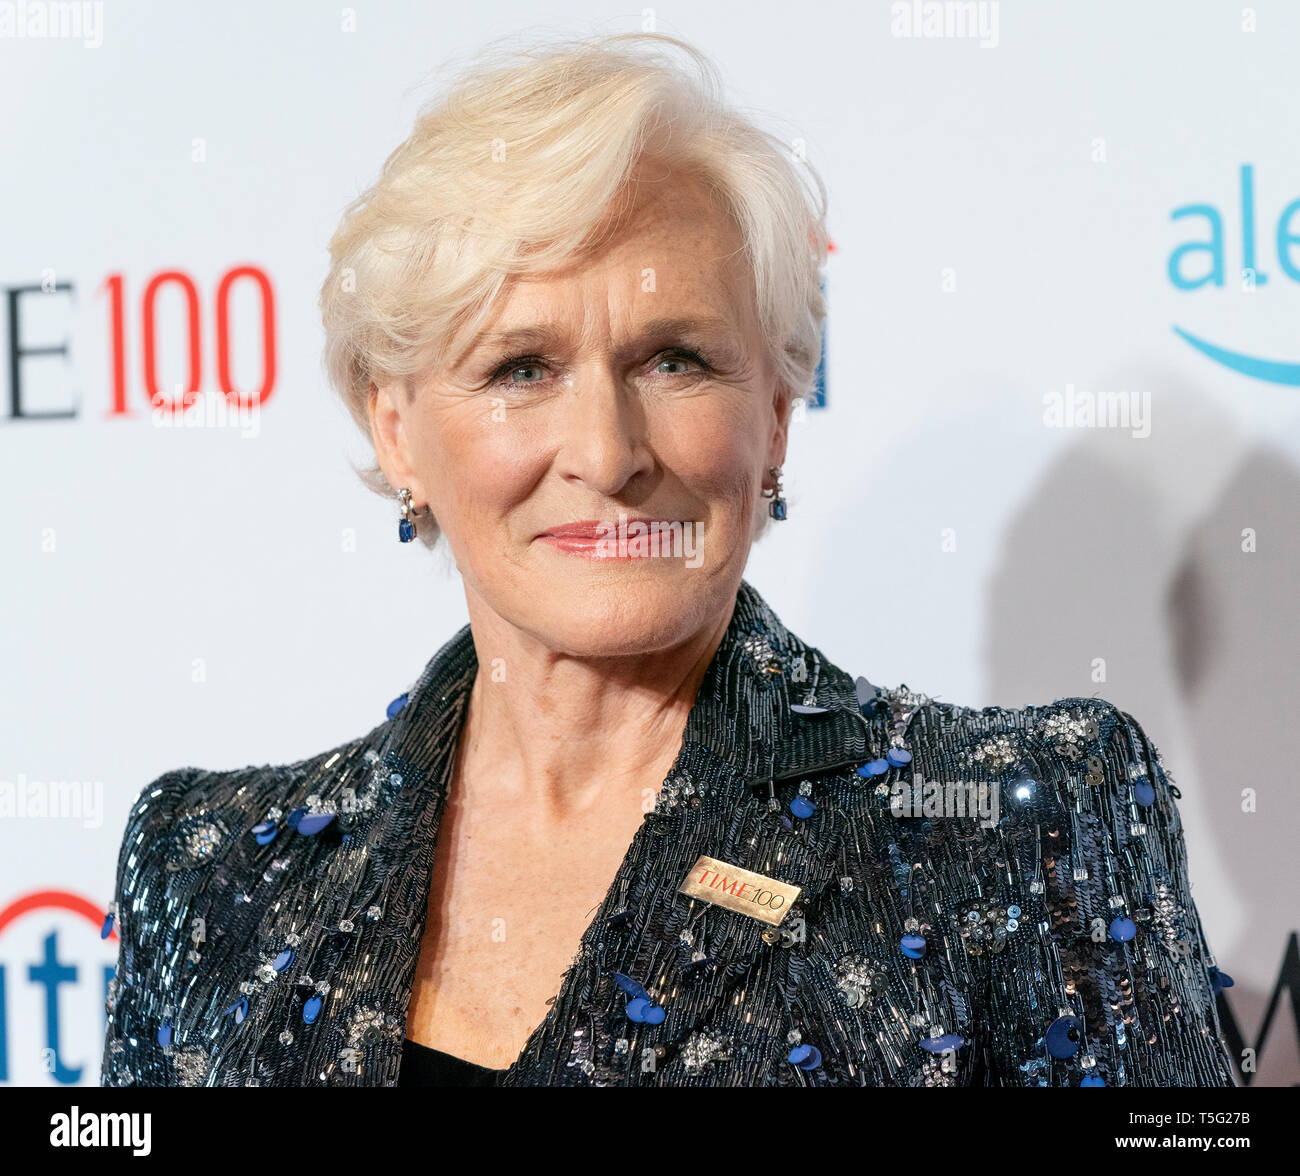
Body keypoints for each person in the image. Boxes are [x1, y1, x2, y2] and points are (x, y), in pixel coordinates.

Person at [100, 31, 1235, 1088]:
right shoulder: (214, 873)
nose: (605, 452)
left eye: (676, 359)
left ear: (777, 415)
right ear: (395, 428)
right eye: (520, 368)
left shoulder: (1017, 822)